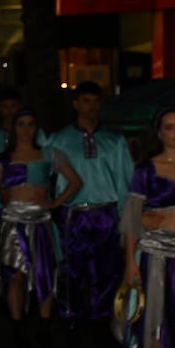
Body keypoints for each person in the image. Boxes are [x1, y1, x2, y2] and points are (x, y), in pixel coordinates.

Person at [0, 110, 81, 346]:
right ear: (14, 128)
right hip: (12, 222)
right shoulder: (2, 159)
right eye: (21, 124)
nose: (25, 129)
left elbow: (75, 181)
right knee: (15, 276)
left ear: (36, 128)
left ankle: (44, 325)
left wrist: (55, 202)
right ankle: (18, 325)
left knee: (45, 274)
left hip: (41, 221)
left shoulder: (48, 154)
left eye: (30, 124)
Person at [49, 82, 133, 328]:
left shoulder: (115, 140)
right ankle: (70, 318)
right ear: (76, 104)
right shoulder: (60, 139)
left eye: (96, 102)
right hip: (72, 213)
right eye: (86, 101)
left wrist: (124, 218)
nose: (91, 107)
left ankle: (100, 320)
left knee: (106, 271)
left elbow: (124, 180)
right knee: (70, 270)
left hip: (105, 212)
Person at [122, 106, 175, 348]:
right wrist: (130, 264)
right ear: (159, 133)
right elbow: (131, 221)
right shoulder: (146, 170)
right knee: (158, 320)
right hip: (157, 255)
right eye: (169, 127)